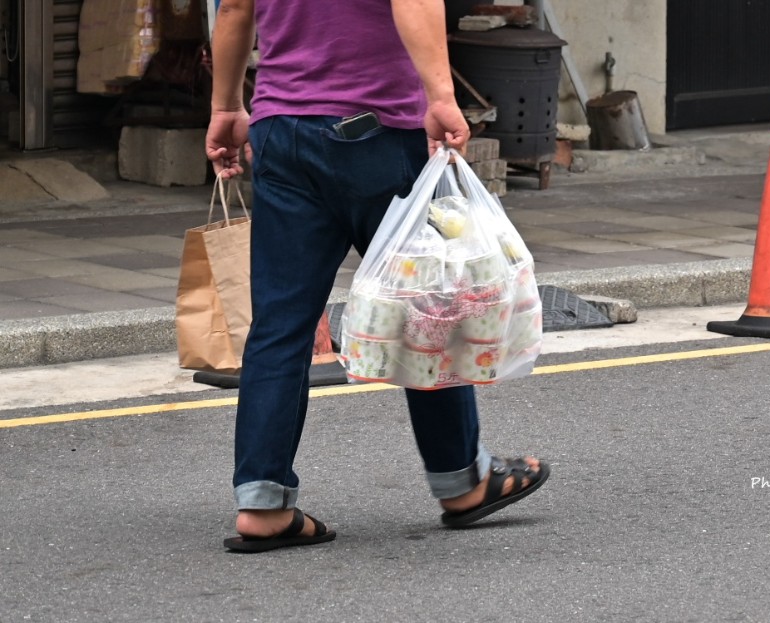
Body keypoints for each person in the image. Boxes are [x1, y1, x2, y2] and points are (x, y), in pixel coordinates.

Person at [205, 0, 550, 553]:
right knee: (429, 307)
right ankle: (461, 481)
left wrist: (225, 106)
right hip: (377, 132)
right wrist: (441, 97)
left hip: (282, 132)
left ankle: (262, 503)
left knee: (281, 324)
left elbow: (235, 10)